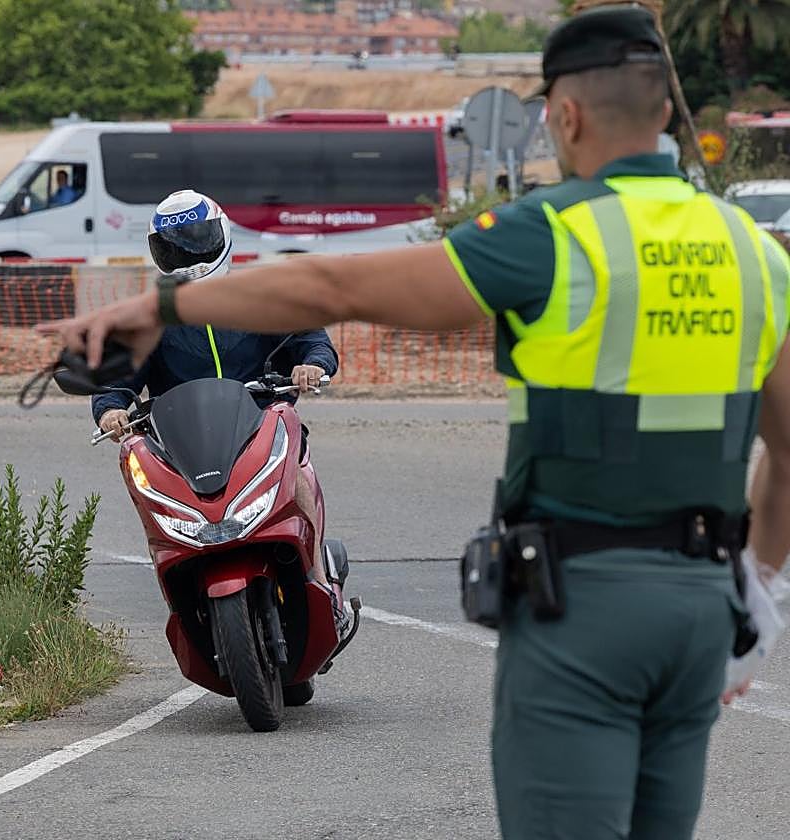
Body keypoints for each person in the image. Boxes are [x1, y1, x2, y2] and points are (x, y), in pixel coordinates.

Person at [39, 8, 790, 840]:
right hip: (701, 604)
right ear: (665, 113)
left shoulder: (553, 235)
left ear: (565, 116)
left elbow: (333, 289)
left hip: (584, 605)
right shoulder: (754, 251)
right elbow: (788, 448)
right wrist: (759, 585)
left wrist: (158, 304)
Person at [96, 189, 348, 629]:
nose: (189, 253)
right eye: (176, 245)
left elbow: (310, 338)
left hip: (262, 423)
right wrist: (110, 408)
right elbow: (118, 375)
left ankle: (320, 582)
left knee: (299, 473)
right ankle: (182, 585)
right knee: (146, 479)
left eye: (197, 239)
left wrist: (312, 363)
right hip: (184, 441)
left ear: (222, 235)